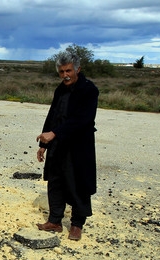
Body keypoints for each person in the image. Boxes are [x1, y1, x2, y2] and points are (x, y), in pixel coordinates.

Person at [36, 51, 99, 241]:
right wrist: (43, 145)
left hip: (79, 146)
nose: (65, 75)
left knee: (78, 183)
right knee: (55, 181)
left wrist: (54, 134)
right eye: (62, 72)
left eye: (69, 70)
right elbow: (52, 115)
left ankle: (77, 225)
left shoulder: (89, 90)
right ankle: (55, 220)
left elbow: (82, 119)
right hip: (58, 145)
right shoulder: (60, 89)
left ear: (78, 69)